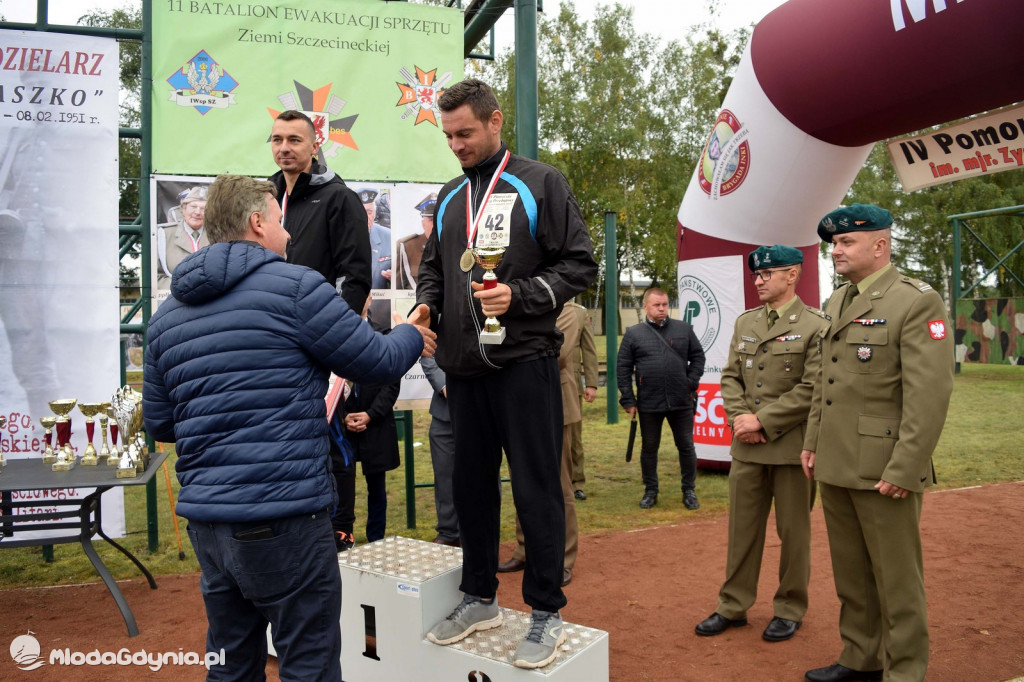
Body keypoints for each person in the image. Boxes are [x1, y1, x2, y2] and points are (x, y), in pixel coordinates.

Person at [142, 174, 434, 681]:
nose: (287, 233)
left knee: (231, 664)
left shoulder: (167, 316)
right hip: (286, 518)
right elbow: (374, 359)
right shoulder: (296, 286)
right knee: (310, 663)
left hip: (209, 525)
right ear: (257, 223)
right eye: (279, 220)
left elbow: (160, 422)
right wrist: (411, 332)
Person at [411, 78, 597, 670]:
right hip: (463, 370)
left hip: (524, 365)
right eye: (448, 135)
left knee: (536, 489)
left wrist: (520, 295)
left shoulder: (540, 182)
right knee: (469, 490)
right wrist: (424, 304)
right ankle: (480, 596)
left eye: (465, 132)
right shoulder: (446, 196)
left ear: (495, 122)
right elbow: (436, 271)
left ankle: (546, 611)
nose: (456, 144)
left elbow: (579, 266)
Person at [801, 204, 954, 682]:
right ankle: (860, 656)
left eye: (846, 242)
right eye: (834, 243)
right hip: (837, 459)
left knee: (897, 579)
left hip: (884, 465)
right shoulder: (836, 301)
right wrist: (812, 442)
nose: (836, 251)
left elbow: (929, 395)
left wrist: (905, 466)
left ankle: (904, 670)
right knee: (852, 575)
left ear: (880, 246)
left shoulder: (915, 301)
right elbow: (826, 383)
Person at [694, 245, 826, 643]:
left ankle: (789, 607)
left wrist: (763, 421)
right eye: (756, 275)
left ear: (793, 275)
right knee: (743, 531)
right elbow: (731, 377)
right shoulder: (746, 322)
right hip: (748, 447)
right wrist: (739, 419)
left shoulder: (816, 324)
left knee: (794, 534)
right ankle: (733, 605)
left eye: (768, 274)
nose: (759, 280)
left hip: (791, 450)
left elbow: (814, 387)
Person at [497, 300, 589, 586]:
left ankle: (562, 558)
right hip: (519, 402)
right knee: (522, 481)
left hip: (555, 404)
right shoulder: (517, 302)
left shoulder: (570, 311)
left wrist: (511, 346)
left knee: (559, 486)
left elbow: (556, 354)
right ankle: (526, 550)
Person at [269, 109, 371, 314]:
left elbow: (354, 276)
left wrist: (337, 328)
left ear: (314, 147)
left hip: (319, 326)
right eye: (277, 140)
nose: (284, 148)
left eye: (294, 140)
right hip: (274, 323)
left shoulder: (339, 198)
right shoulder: (267, 197)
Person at [617, 287, 706, 510]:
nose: (662, 309)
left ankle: (689, 490)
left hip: (681, 401)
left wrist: (691, 382)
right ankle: (651, 491)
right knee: (649, 448)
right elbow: (623, 368)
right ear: (646, 306)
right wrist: (628, 399)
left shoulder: (683, 329)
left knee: (686, 446)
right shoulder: (633, 333)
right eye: (657, 305)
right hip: (649, 401)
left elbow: (698, 357)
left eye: (665, 304)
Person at [420, 354, 460, 547]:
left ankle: (481, 532)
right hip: (443, 415)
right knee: (444, 476)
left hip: (479, 409)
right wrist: (445, 386)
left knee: (483, 477)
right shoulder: (439, 323)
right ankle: (449, 532)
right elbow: (428, 355)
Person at [565, 301, 599, 500]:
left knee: (574, 438)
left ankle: (577, 483)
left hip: (573, 382)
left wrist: (591, 384)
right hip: (544, 381)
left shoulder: (579, 313)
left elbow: (589, 349)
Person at [157, 186, 209, 293]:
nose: (198, 212)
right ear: (184, 209)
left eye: (203, 208)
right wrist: (182, 289)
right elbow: (154, 276)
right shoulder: (164, 235)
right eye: (193, 206)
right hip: (173, 301)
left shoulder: (218, 235)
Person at [395, 192, 437, 290]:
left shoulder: (453, 246)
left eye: (438, 220)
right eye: (431, 220)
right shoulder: (407, 247)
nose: (435, 225)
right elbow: (399, 288)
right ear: (423, 224)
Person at [357, 187, 392, 290]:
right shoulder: (339, 237)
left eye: (369, 212)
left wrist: (394, 279)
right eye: (361, 212)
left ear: (375, 213)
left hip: (379, 303)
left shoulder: (388, 236)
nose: (366, 217)